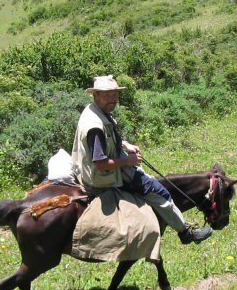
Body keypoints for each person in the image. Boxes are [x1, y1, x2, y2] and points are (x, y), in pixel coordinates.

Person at [71, 75, 212, 244]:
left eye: (115, 94)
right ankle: (185, 233)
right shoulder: (95, 126)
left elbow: (105, 142)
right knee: (159, 191)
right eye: (107, 95)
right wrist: (128, 161)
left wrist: (124, 144)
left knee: (148, 179)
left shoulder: (95, 111)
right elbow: (101, 164)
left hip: (99, 169)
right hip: (102, 177)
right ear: (96, 95)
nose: (113, 99)